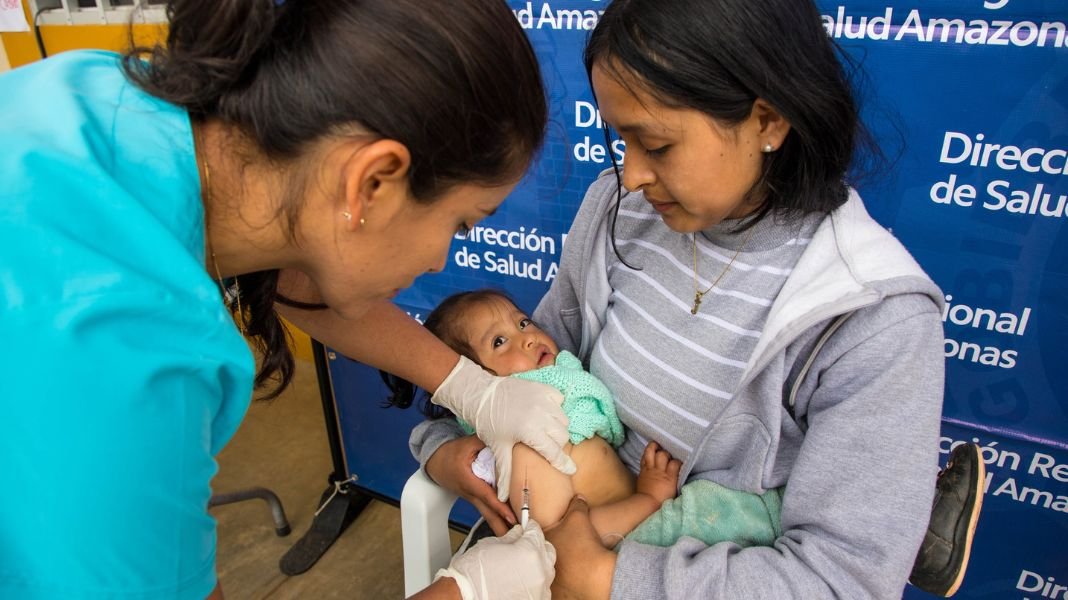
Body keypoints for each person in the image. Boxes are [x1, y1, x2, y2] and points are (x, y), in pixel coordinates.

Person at [0, 1, 574, 598]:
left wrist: (471, 386)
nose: (438, 262)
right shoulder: (123, 359)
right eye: (459, 223)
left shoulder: (110, 107)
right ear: (370, 183)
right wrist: (465, 591)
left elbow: (297, 282)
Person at [411, 0, 982, 598]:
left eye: (655, 145)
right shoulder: (618, 214)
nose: (630, 174)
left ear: (769, 121)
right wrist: (449, 452)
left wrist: (608, 578)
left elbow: (844, 579)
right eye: (620, 138)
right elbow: (510, 380)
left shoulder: (872, 320)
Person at [398, 289, 788, 552]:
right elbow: (558, 538)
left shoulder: (561, 389)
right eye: (499, 343)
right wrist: (647, 499)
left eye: (522, 323)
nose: (528, 338)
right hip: (622, 541)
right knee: (721, 516)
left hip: (642, 514)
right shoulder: (524, 444)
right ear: (470, 384)